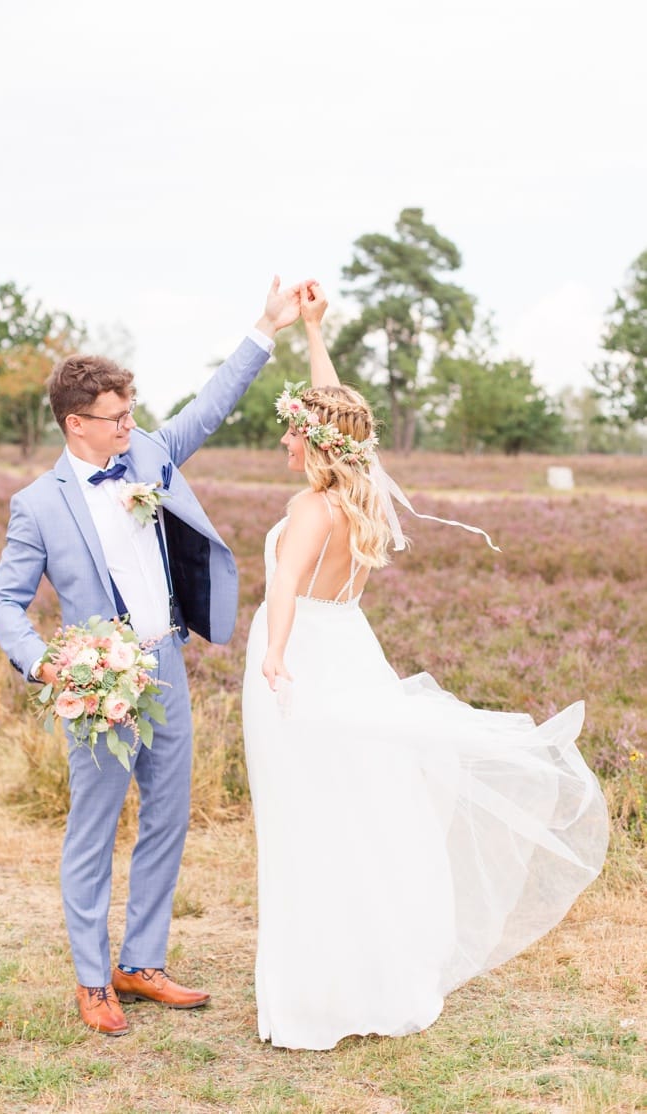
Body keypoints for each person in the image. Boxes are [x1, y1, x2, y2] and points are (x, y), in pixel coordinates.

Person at [243, 281, 610, 1051]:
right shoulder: (364, 493)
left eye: (293, 432)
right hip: (350, 650)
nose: (284, 442)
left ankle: (321, 993)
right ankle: (375, 968)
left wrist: (274, 657)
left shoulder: (311, 509)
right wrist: (315, 330)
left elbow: (280, 588)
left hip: (305, 660)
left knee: (308, 821)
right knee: (362, 812)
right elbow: (338, 408)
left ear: (317, 441)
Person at [0, 279, 306, 1036]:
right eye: (116, 417)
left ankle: (142, 961)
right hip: (99, 685)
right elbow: (3, 602)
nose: (130, 424)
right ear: (76, 425)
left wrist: (265, 326)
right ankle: (92, 980)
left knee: (168, 816)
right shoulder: (37, 504)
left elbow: (210, 407)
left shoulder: (150, 454)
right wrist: (43, 662)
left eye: (131, 412)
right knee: (93, 830)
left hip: (167, 664)